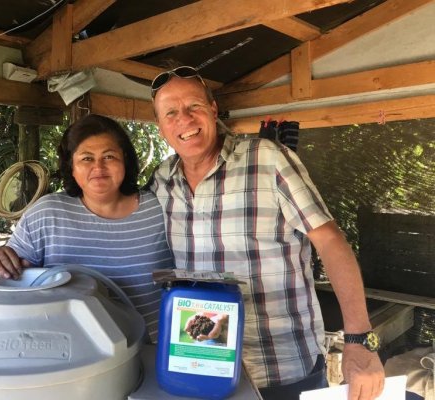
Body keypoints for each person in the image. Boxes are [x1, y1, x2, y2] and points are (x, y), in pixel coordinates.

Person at [147, 66, 385, 400]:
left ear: (213, 110)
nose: (184, 119)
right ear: (160, 127)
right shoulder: (161, 181)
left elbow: (330, 241)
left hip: (279, 367)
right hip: (200, 365)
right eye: (170, 112)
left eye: (193, 106)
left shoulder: (267, 159)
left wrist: (359, 341)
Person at [0, 114, 174, 341]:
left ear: (126, 161)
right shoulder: (47, 213)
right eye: (86, 158)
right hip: (71, 351)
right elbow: (14, 274)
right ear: (71, 166)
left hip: (150, 348)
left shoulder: (159, 207)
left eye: (109, 156)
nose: (98, 167)